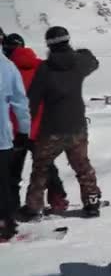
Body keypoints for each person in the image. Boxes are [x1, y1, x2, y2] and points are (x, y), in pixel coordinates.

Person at [19, 26, 102, 221]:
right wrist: (77, 52)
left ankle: (33, 207)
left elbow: (31, 100)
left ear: (48, 44)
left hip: (51, 129)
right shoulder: (78, 63)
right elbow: (93, 60)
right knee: (82, 166)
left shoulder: (45, 69)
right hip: (77, 126)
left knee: (41, 168)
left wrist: (25, 128)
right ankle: (91, 203)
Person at [2, 34, 68, 213]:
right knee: (47, 166)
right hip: (42, 127)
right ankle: (58, 200)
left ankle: (11, 209)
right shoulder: (43, 66)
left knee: (11, 173)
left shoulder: (5, 69)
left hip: (14, 130)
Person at [0, 42, 30, 241]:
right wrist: (23, 131)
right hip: (2, 140)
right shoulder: (7, 67)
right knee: (3, 184)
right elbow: (20, 102)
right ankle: (5, 223)